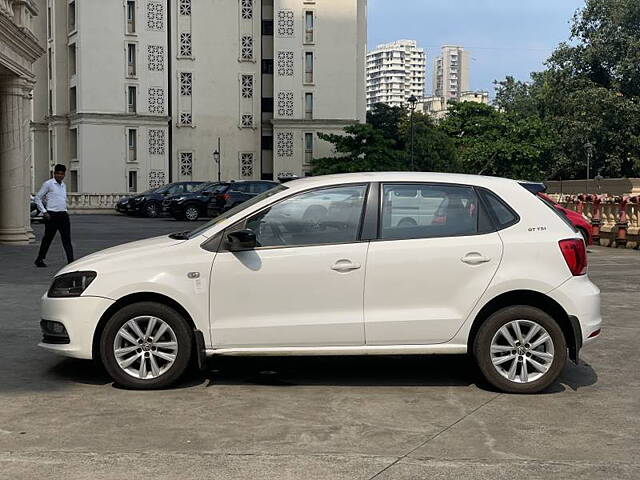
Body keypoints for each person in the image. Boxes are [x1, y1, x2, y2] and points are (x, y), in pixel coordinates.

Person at [34, 164, 74, 267]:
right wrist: (44, 211)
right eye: (58, 173)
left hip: (63, 215)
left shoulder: (63, 185)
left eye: (62, 174)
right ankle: (39, 259)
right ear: (54, 173)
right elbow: (37, 198)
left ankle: (71, 261)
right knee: (48, 238)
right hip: (51, 215)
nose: (60, 175)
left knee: (67, 239)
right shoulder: (48, 184)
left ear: (64, 174)